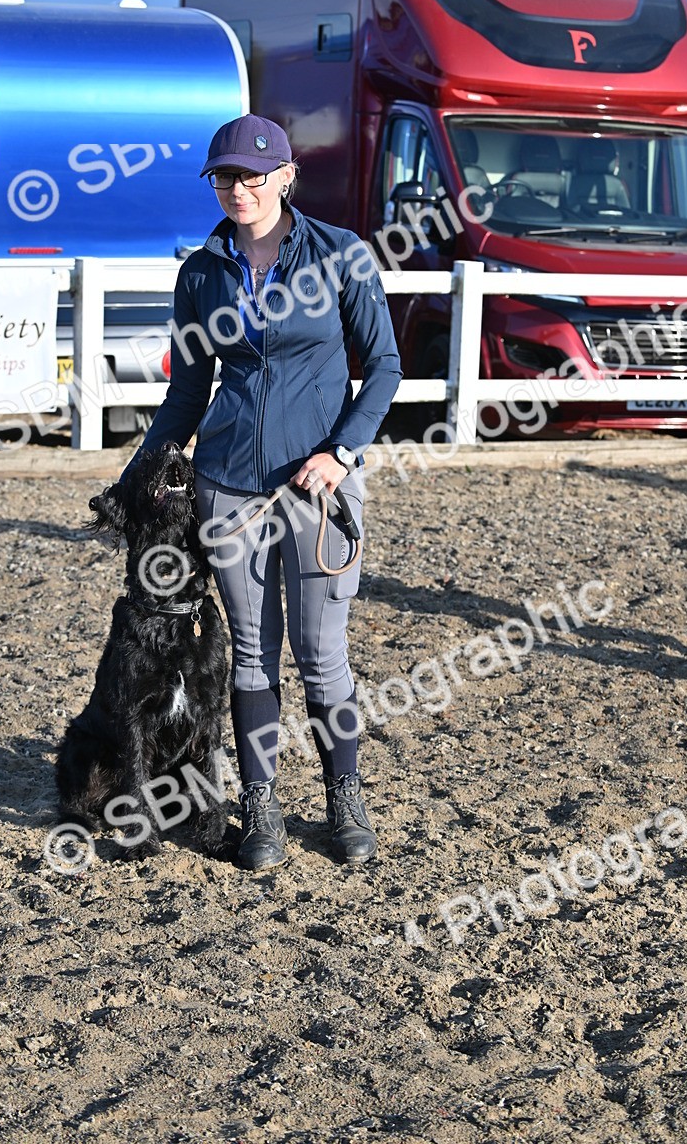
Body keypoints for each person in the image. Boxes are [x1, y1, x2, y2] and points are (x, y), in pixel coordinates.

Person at [121, 113, 402, 870]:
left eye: (251, 176)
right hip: (229, 484)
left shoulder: (343, 257)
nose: (237, 189)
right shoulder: (201, 273)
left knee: (320, 653)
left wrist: (342, 453)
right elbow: (187, 393)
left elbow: (383, 370)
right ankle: (263, 806)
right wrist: (139, 474)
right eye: (224, 177)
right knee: (250, 653)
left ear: (284, 176)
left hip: (318, 487)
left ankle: (344, 798)